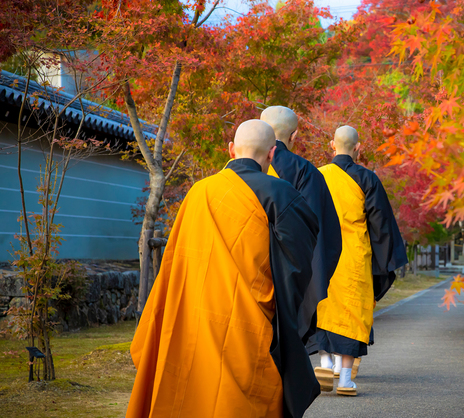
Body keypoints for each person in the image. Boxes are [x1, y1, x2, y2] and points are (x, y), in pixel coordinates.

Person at [126, 120, 320, 418]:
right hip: (246, 325)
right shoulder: (281, 194)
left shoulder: (198, 192)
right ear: (272, 154)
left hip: (192, 316)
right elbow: (298, 268)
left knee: (189, 394)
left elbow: (175, 263)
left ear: (231, 149)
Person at [308, 125, 408, 396]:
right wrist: (386, 261)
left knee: (323, 305)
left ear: (331, 145)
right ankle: (345, 380)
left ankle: (326, 363)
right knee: (352, 312)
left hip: (320, 255)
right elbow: (381, 225)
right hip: (353, 254)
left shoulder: (316, 176)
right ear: (359, 147)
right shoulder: (367, 178)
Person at [259, 106, 342, 347]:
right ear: (294, 135)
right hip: (286, 275)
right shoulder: (306, 172)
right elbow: (319, 232)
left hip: (242, 268)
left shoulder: (232, 170)